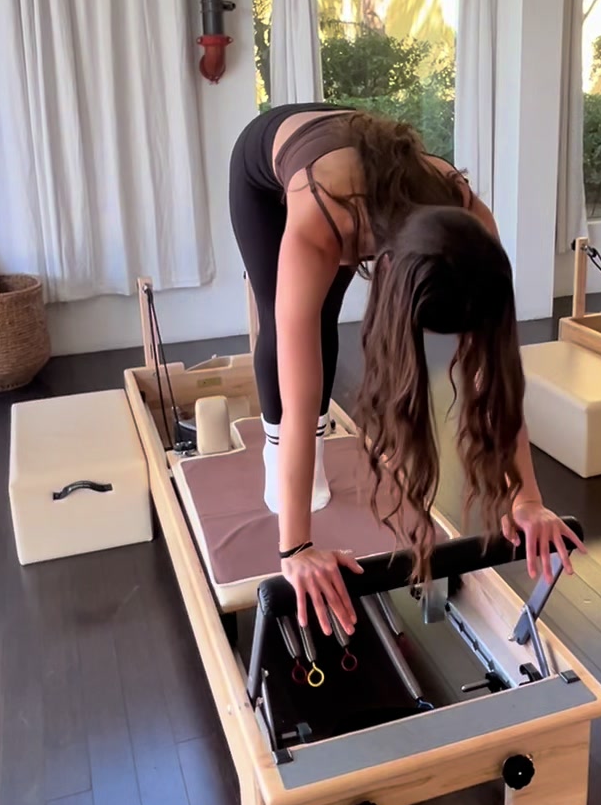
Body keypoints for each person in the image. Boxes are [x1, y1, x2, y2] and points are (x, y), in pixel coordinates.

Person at [229, 103, 580, 634]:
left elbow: (495, 374)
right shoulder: (323, 222)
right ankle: (275, 455)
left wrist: (527, 498)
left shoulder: (470, 221)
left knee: (320, 312)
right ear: (389, 272)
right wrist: (296, 546)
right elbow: (300, 398)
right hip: (266, 162)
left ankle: (299, 467)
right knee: (293, 328)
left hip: (355, 176)